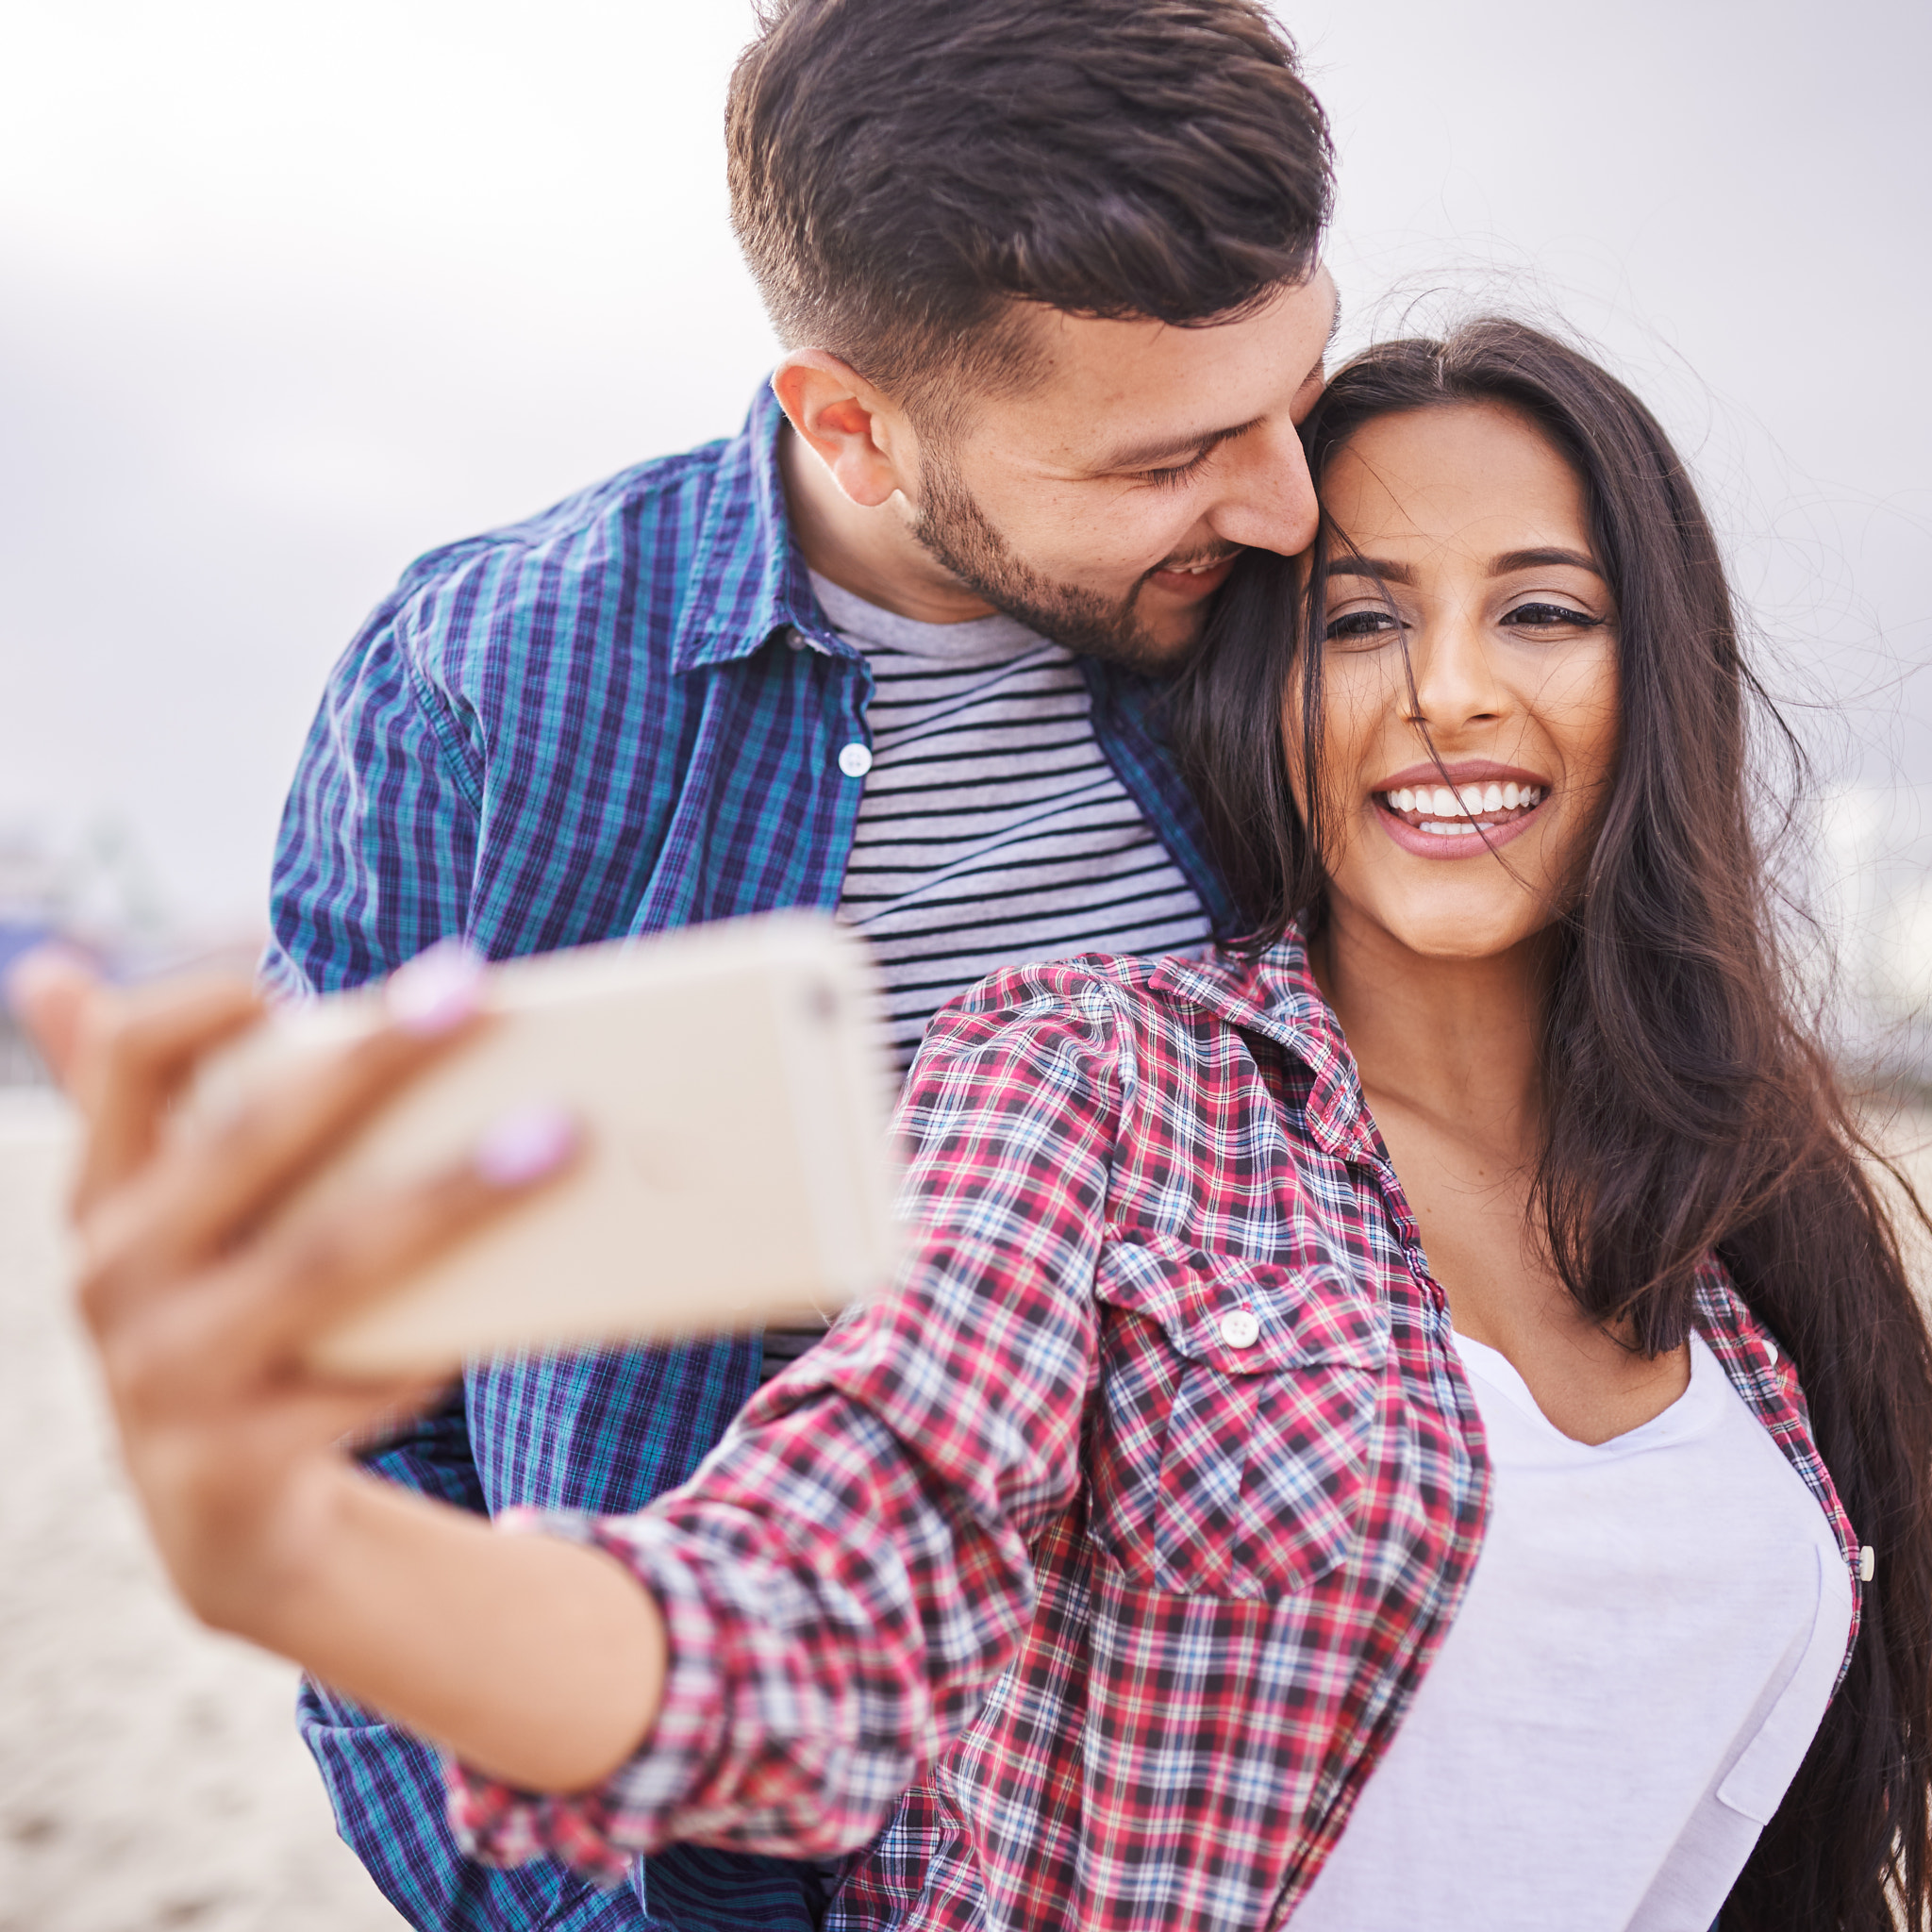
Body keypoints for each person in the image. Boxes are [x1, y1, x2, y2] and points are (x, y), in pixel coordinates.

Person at [20, 318, 1932, 1930]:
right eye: (1358, 623)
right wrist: (299, 1550)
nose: (1446, 693)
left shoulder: (1741, 1204)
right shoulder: (1089, 1082)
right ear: (1270, 669)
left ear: (1646, 673)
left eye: (1539, 609)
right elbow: (819, 1595)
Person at [248, 0, 1337, 1922]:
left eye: (1292, 391)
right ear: (845, 417)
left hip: (1268, 1802)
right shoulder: (483, 692)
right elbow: (343, 1401)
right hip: (736, 1846)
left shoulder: (1335, 611)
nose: (1283, 505)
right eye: (1168, 457)